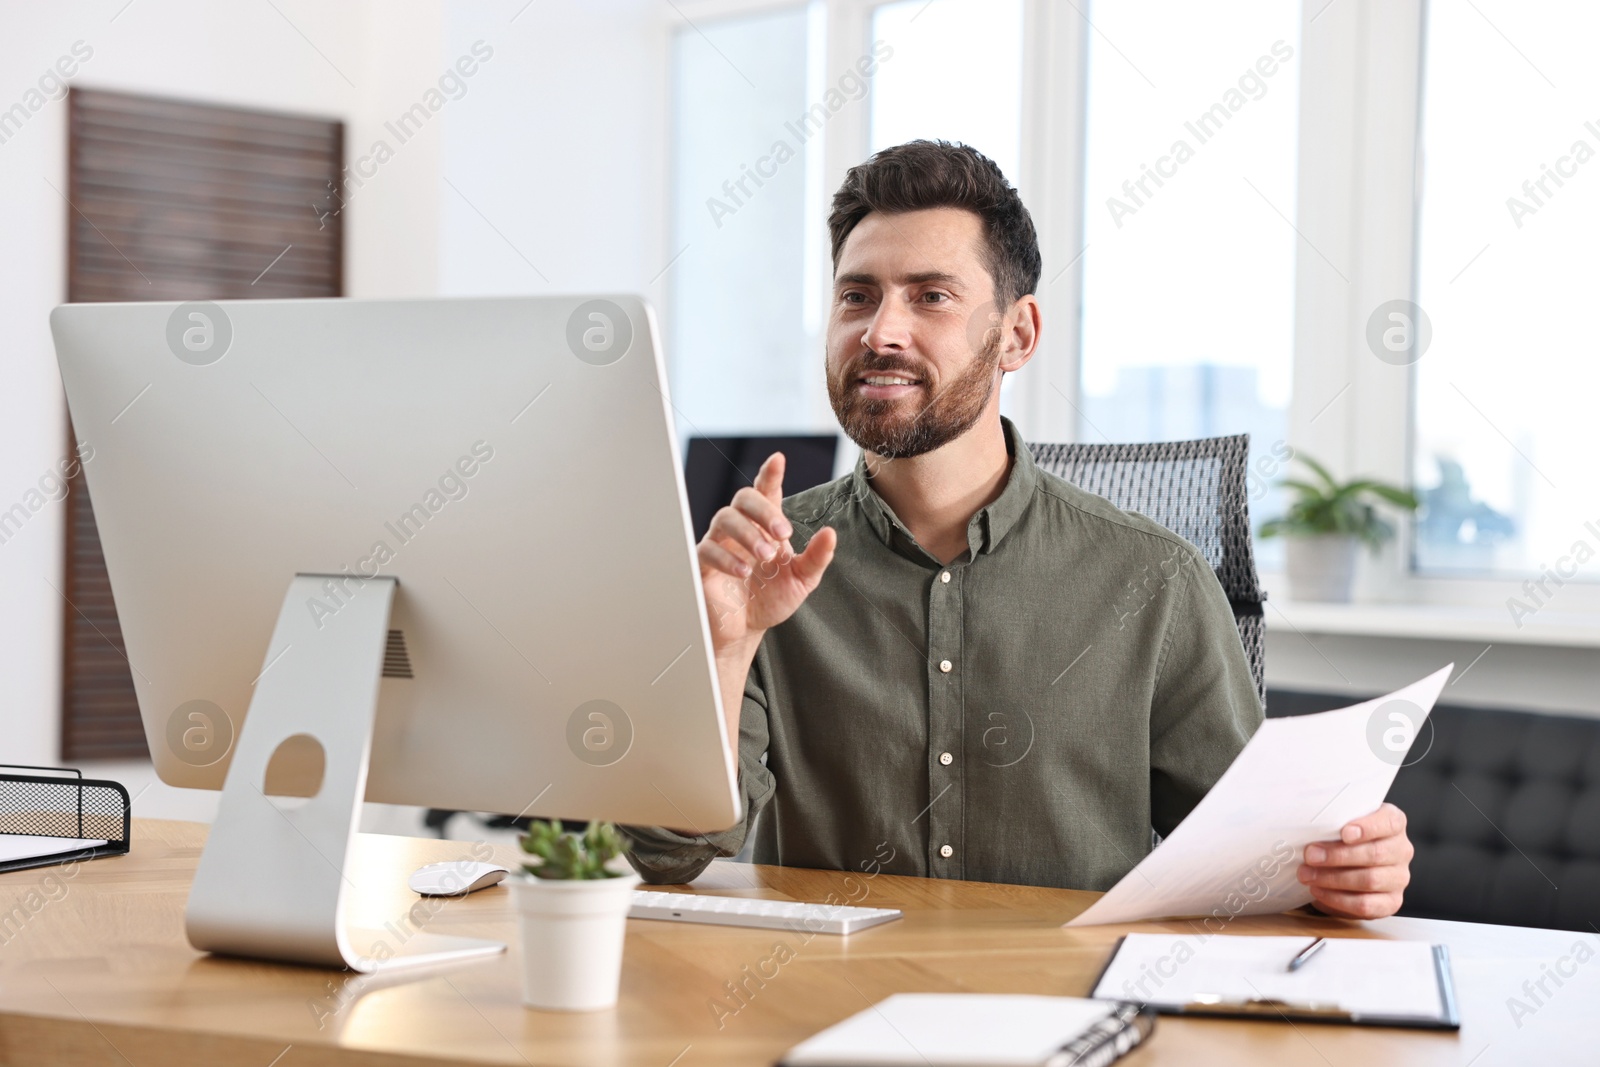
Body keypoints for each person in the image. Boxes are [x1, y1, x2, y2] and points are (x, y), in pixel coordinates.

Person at [624, 140, 1413, 920]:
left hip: (1066, 1023)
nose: (880, 332)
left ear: (1018, 335)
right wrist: (726, 647)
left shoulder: (1158, 579)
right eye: (857, 296)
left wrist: (1348, 868)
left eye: (930, 296)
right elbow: (668, 855)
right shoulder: (760, 567)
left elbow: (1263, 867)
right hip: (821, 1015)